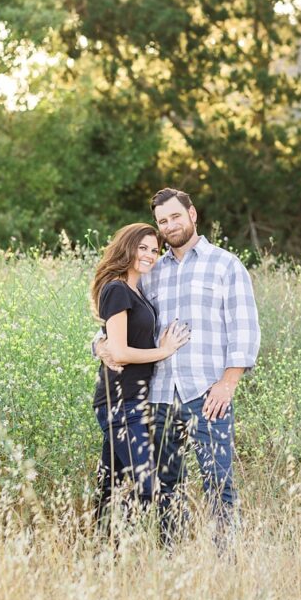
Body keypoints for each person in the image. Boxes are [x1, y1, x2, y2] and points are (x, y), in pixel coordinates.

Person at [98, 189, 260, 545]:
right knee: (167, 486)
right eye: (162, 221)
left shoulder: (225, 265)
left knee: (218, 482)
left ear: (192, 214)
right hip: (157, 397)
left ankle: (226, 562)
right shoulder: (150, 270)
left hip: (206, 394)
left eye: (175, 217)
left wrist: (227, 384)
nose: (169, 226)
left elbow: (244, 329)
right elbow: (115, 323)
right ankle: (172, 560)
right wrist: (97, 345)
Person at [90, 223, 190, 528]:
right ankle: (149, 542)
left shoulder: (135, 290)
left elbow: (111, 340)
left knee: (111, 486)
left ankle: (105, 554)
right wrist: (165, 350)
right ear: (127, 248)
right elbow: (119, 352)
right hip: (121, 402)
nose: (149, 255)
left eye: (154, 250)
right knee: (148, 486)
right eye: (142, 248)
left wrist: (98, 344)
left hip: (134, 401)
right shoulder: (117, 289)